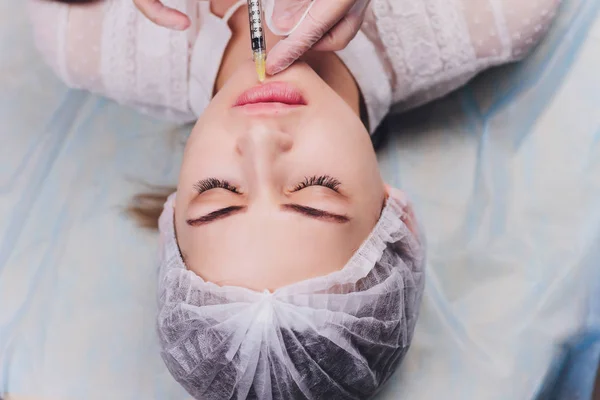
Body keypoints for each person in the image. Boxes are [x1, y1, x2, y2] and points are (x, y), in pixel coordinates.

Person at [26, 0, 558, 398]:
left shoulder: (82, 40)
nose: (261, 139)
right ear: (397, 216)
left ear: (174, 215)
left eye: (217, 195)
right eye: (315, 193)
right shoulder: (494, 14)